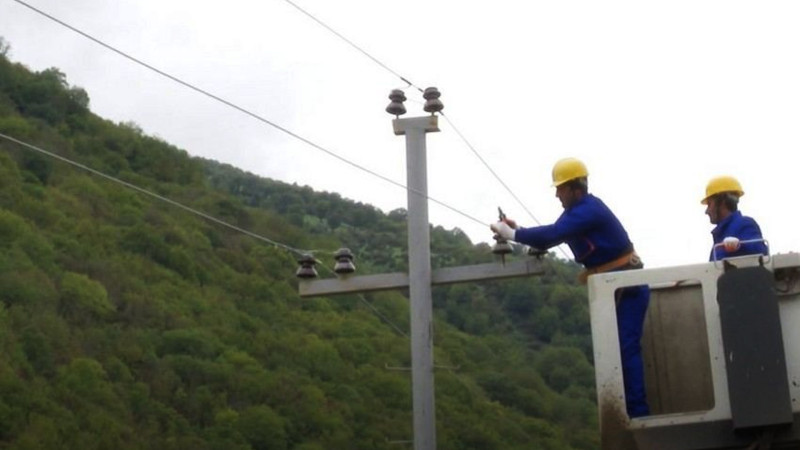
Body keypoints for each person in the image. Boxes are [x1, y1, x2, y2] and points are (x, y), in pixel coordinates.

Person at [491, 157, 650, 418]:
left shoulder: (589, 211)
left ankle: (638, 413)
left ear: (575, 188)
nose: (557, 194)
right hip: (616, 287)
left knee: (625, 349)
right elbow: (553, 232)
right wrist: (519, 230)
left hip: (626, 287)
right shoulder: (578, 212)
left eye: (560, 188)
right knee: (618, 351)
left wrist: (514, 235)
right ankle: (631, 411)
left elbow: (553, 235)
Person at [702, 175, 768, 261]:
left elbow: (761, 251)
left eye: (709, 204)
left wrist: (740, 245)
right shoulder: (719, 237)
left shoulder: (745, 224)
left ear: (722, 202)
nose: (707, 211)